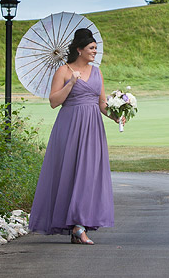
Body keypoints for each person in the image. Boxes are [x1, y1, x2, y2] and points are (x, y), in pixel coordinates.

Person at [28, 27, 118, 244]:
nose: (95, 52)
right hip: (69, 128)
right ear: (79, 50)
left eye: (96, 48)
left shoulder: (97, 73)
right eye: (91, 48)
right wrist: (71, 83)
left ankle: (80, 225)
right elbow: (53, 102)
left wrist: (115, 116)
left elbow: (101, 103)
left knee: (89, 176)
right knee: (70, 173)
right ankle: (77, 226)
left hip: (93, 129)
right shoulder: (63, 71)